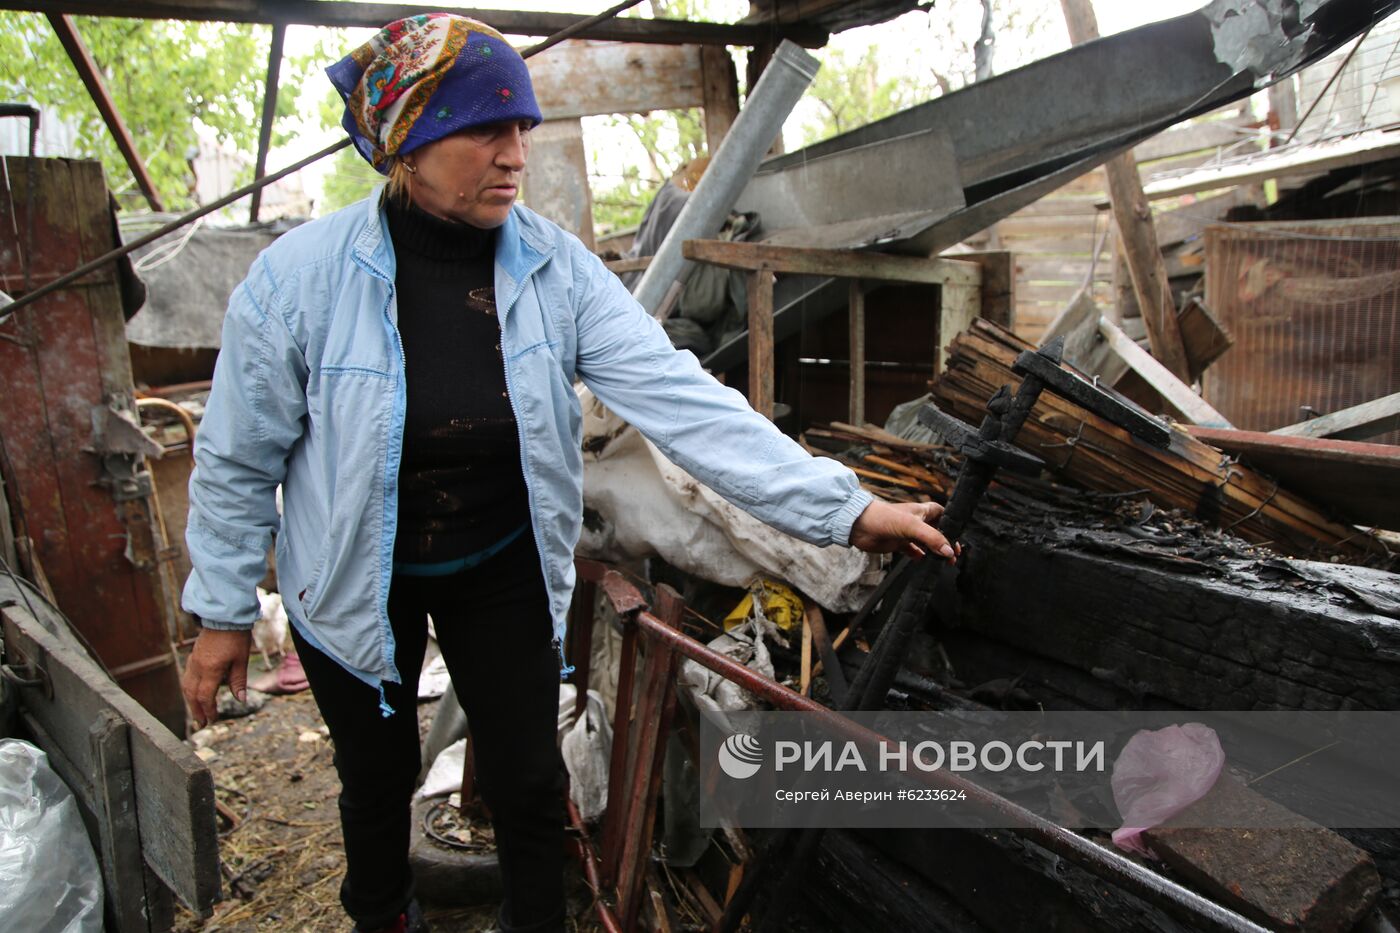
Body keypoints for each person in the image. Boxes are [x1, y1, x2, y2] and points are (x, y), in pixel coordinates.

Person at [179, 14, 957, 933]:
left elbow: (682, 400)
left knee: (528, 776)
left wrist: (849, 509)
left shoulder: (554, 269)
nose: (516, 155)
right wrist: (223, 610)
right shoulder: (298, 281)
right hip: (351, 576)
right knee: (377, 781)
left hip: (499, 564)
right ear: (410, 145)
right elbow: (237, 454)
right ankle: (385, 916)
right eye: (486, 132)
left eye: (524, 132)